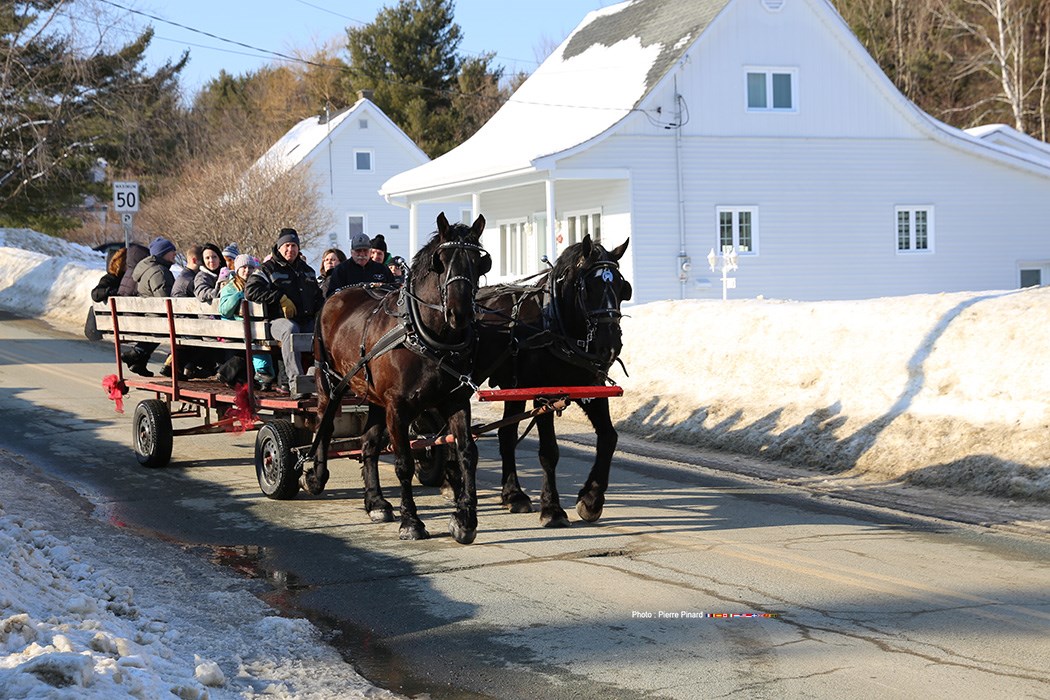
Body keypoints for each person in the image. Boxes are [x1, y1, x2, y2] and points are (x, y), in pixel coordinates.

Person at [244, 227, 322, 398]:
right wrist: (279, 297)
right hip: (277, 322)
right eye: (286, 245)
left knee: (325, 333)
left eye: (294, 245)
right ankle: (295, 384)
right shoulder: (268, 269)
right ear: (279, 247)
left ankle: (313, 379)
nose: (290, 249)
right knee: (290, 330)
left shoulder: (307, 270)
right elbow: (251, 290)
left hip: (306, 320)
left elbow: (318, 297)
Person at [121, 237, 177, 376]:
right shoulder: (159, 272)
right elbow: (165, 300)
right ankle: (178, 366)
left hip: (151, 318)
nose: (175, 253)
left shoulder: (149, 269)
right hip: (159, 318)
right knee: (187, 328)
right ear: (162, 253)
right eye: (171, 251)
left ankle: (138, 358)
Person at [219, 254, 276, 389]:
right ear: (237, 269)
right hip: (234, 328)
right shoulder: (230, 287)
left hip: (252, 327)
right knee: (256, 336)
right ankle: (263, 373)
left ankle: (264, 374)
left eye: (250, 267)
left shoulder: (258, 284)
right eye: (243, 267)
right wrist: (240, 295)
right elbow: (224, 310)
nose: (247, 271)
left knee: (262, 334)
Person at [325, 232, 395, 298]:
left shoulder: (382, 269)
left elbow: (394, 292)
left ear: (370, 252)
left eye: (365, 250)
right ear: (351, 252)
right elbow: (331, 296)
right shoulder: (341, 270)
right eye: (358, 251)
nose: (362, 254)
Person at [85, 247, 127, 341]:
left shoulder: (126, 279)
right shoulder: (110, 279)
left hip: (118, 324)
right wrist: (110, 291)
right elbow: (96, 295)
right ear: (122, 263)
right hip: (116, 325)